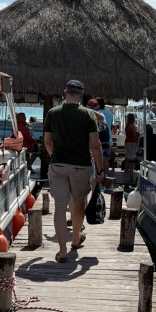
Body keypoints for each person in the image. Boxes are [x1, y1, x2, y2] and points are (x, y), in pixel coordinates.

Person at [43, 80, 105, 263]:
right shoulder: (88, 115)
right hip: (81, 166)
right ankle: (76, 239)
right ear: (81, 95)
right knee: (78, 204)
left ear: (64, 93)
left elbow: (47, 142)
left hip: (58, 166)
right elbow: (95, 145)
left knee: (60, 207)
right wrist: (100, 170)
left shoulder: (52, 113)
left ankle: (62, 251)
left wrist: (55, 156)